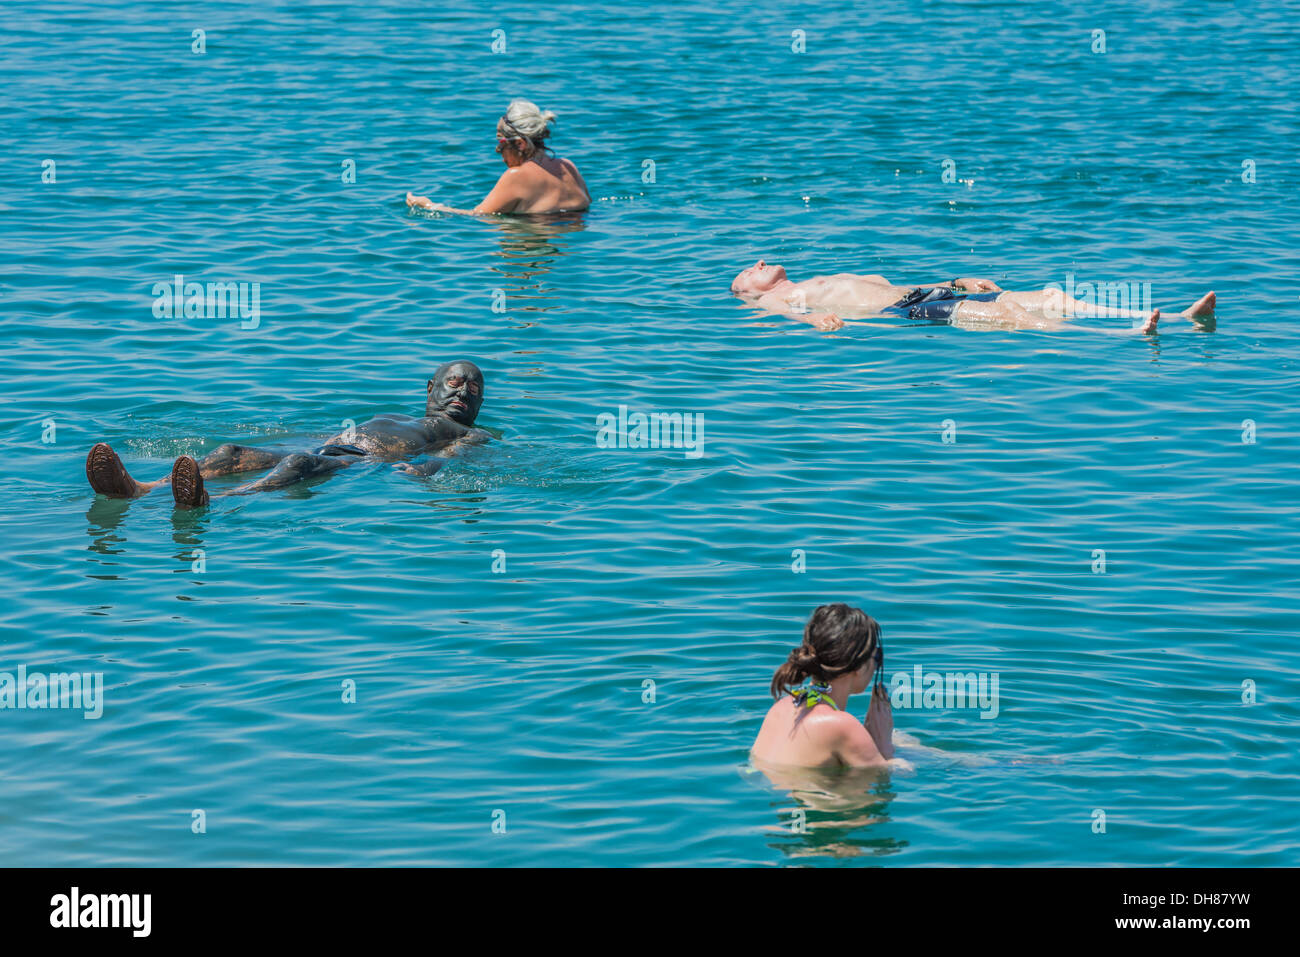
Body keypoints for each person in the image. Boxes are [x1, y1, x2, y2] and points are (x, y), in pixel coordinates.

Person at [84, 361, 488, 508]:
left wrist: (427, 469)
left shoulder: (469, 432)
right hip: (331, 443)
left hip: (360, 462)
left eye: (472, 390)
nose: (461, 393)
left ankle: (214, 499)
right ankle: (142, 488)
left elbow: (457, 454)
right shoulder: (393, 413)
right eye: (454, 382)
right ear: (430, 386)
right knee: (231, 451)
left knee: (300, 464)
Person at [731, 260, 1217, 333]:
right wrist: (814, 321)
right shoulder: (772, 300)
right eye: (749, 270)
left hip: (924, 291)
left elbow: (896, 279)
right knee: (1009, 313)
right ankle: (1128, 337)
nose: (758, 264)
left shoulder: (822, 274)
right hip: (907, 311)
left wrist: (960, 280)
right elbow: (782, 313)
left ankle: (1176, 316)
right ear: (748, 290)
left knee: (1051, 296)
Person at [751, 603, 895, 769]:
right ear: (860, 667)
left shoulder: (781, 707)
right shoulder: (842, 726)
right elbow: (887, 775)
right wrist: (884, 745)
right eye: (876, 657)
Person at [407, 99, 591, 216]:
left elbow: (477, 216)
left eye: (500, 142)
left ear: (520, 143)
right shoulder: (568, 166)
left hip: (533, 248)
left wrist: (430, 206)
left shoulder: (517, 176)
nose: (497, 150)